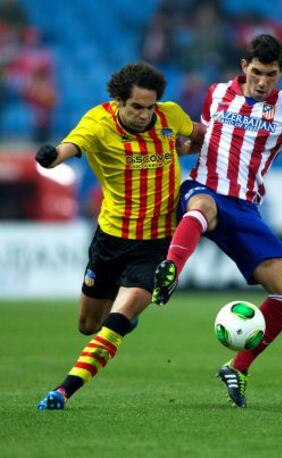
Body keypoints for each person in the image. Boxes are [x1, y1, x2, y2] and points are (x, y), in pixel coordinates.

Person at [152, 34, 282, 408]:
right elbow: (204, 136)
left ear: (281, 72)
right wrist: (183, 145)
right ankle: (171, 270)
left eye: (271, 75)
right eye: (256, 72)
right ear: (244, 67)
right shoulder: (216, 93)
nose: (262, 82)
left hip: (244, 210)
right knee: (202, 207)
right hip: (204, 188)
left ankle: (237, 368)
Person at [36, 61, 204, 410]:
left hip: (158, 244)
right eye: (137, 108)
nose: (145, 115)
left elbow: (200, 137)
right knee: (87, 324)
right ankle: (123, 315)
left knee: (116, 321)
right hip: (112, 239)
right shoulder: (98, 123)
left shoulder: (171, 116)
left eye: (150, 107)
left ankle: (63, 390)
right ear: (118, 101)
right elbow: (71, 147)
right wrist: (52, 158)